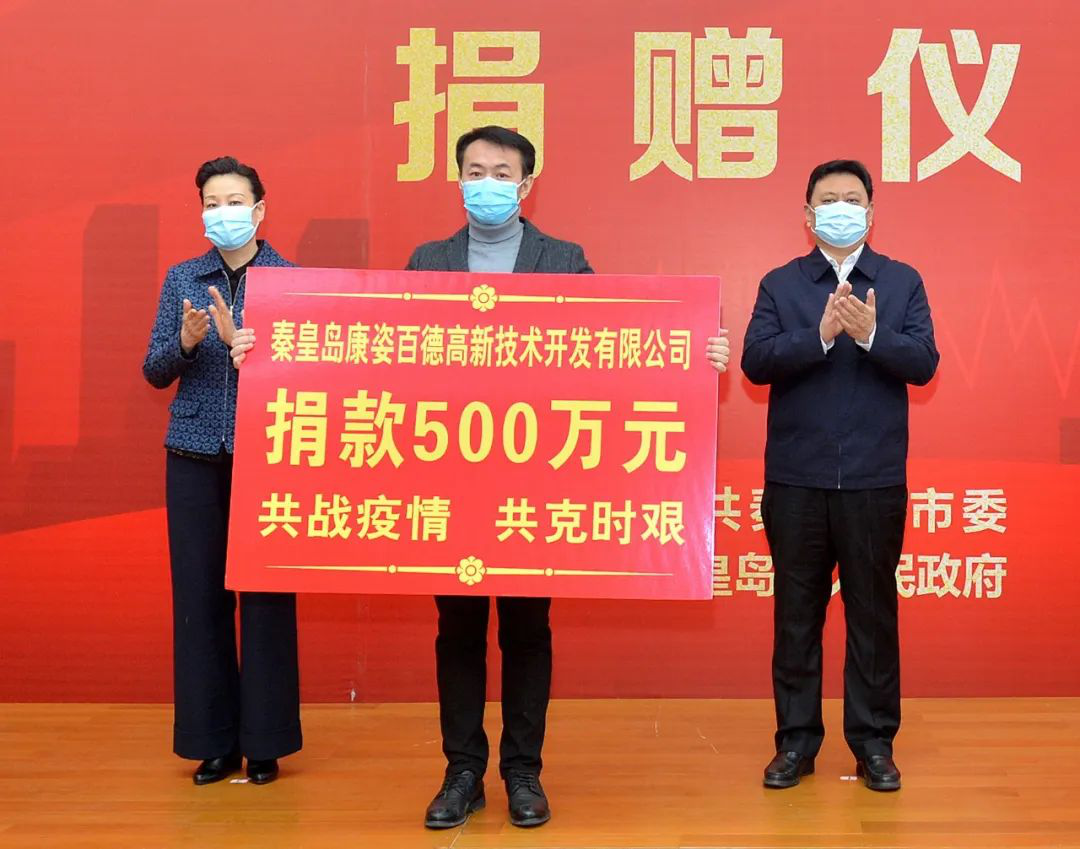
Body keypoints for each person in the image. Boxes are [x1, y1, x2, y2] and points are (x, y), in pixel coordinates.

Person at [741, 160, 939, 792]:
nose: (841, 209)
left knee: (872, 617)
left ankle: (873, 743)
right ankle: (795, 744)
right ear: (808, 215)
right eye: (828, 200)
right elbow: (755, 362)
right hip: (796, 481)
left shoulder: (901, 281)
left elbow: (925, 363)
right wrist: (820, 336)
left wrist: (874, 334)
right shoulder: (781, 284)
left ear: (871, 213)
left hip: (873, 481)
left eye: (853, 199)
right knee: (796, 616)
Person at [142, 156, 302, 786]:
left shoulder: (290, 282)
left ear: (259, 210)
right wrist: (186, 342)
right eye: (212, 203)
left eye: (235, 202)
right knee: (200, 598)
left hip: (267, 458)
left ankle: (264, 742)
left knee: (265, 599)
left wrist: (252, 358)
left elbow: (310, 377)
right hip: (193, 455)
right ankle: (211, 741)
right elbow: (154, 371)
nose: (223, 213)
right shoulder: (183, 278)